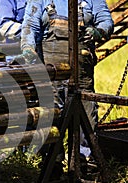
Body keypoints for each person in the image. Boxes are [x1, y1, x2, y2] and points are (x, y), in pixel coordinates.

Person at [19, 0, 114, 166]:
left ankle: (84, 161)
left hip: (81, 74)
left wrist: (99, 31)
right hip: (50, 73)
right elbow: (30, 26)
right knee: (50, 116)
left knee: (86, 115)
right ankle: (52, 163)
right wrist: (28, 48)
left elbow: (106, 21)